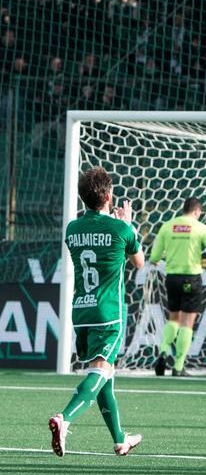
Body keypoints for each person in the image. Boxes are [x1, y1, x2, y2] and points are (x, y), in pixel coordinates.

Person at [48, 168, 145, 457]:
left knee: (105, 377)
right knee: (100, 372)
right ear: (108, 195)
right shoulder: (121, 229)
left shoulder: (72, 229)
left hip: (81, 311)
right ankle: (64, 419)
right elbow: (138, 261)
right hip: (109, 314)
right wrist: (129, 224)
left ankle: (119, 439)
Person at [150, 197, 206, 377]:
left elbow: (154, 257)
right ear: (197, 211)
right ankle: (178, 366)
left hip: (173, 278)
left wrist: (170, 256)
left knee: (173, 318)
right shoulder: (200, 228)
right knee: (187, 322)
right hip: (192, 277)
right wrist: (205, 262)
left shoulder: (167, 226)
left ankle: (164, 351)